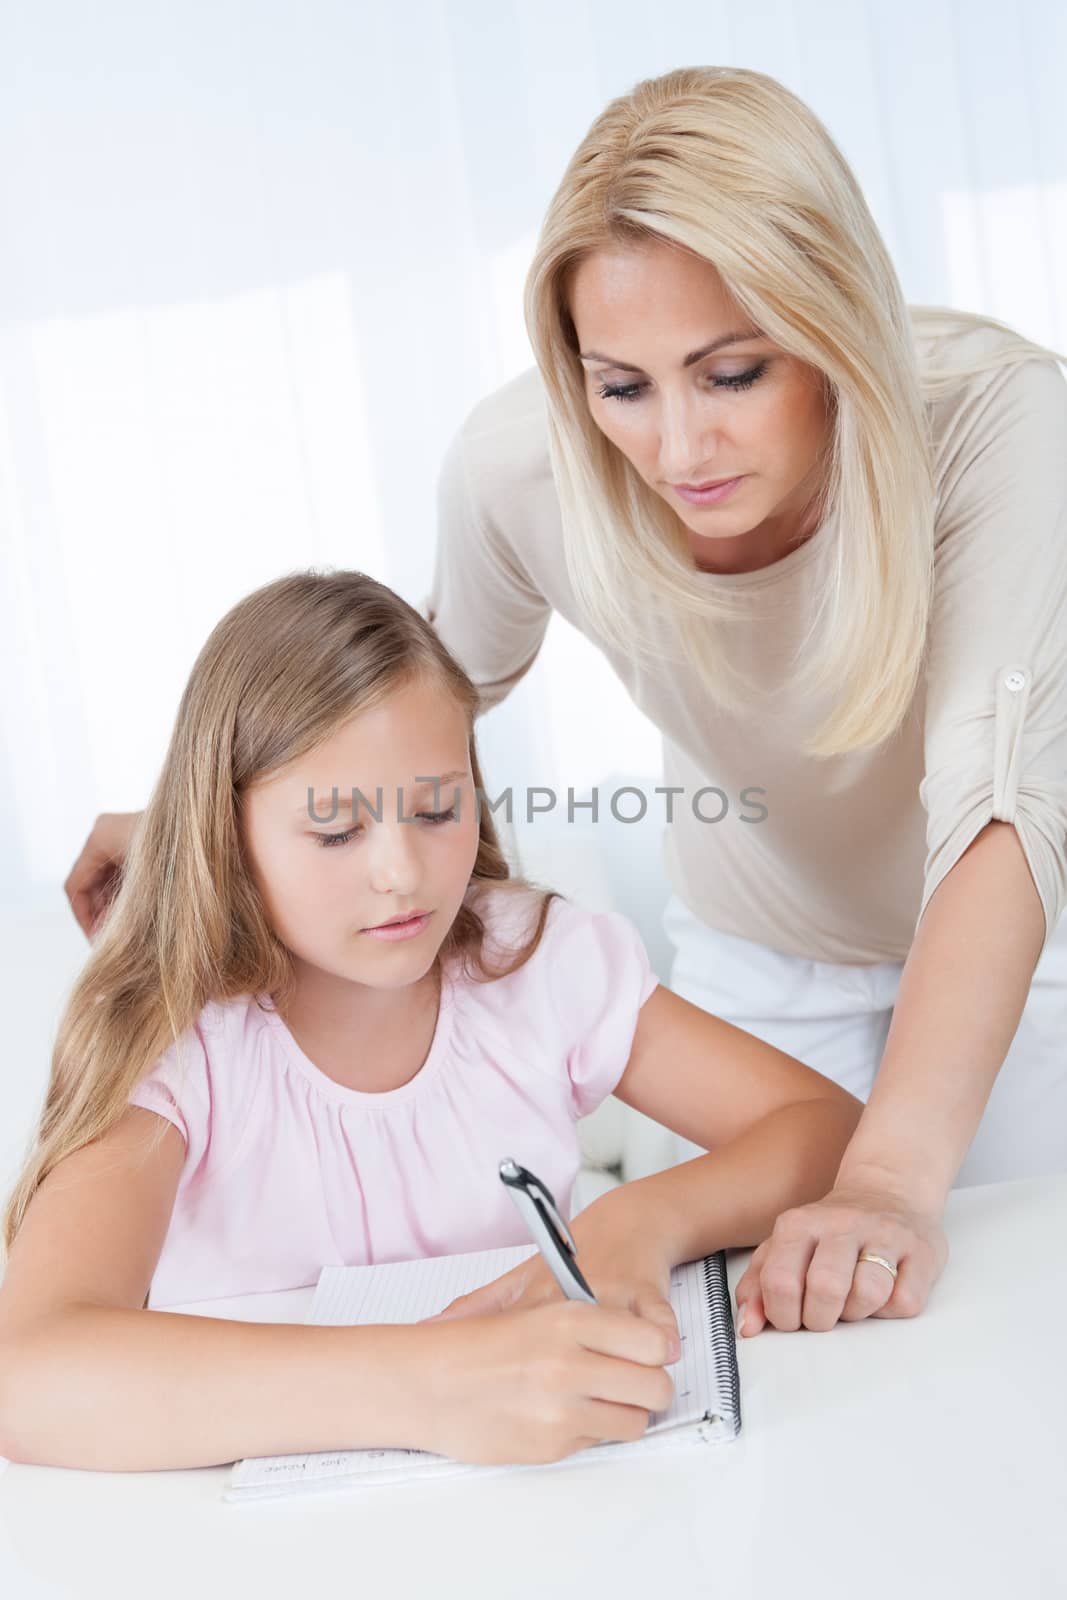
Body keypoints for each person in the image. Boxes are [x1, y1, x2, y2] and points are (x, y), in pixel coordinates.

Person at [423, 64, 1067, 1332]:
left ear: (828, 330)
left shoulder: (996, 417)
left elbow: (997, 802)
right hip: (763, 967)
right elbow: (421, 686)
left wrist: (887, 1180)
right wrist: (190, 807)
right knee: (748, 1345)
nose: (676, 449)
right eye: (622, 386)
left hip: (1023, 946)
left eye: (731, 374)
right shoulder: (517, 471)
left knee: (1007, 1320)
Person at [0, 570, 860, 1473]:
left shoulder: (534, 962)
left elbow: (826, 1129)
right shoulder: (178, 1035)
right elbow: (28, 1377)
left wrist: (636, 1222)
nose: (402, 874)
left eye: (436, 808)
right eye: (335, 832)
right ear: (226, 834)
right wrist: (435, 1386)